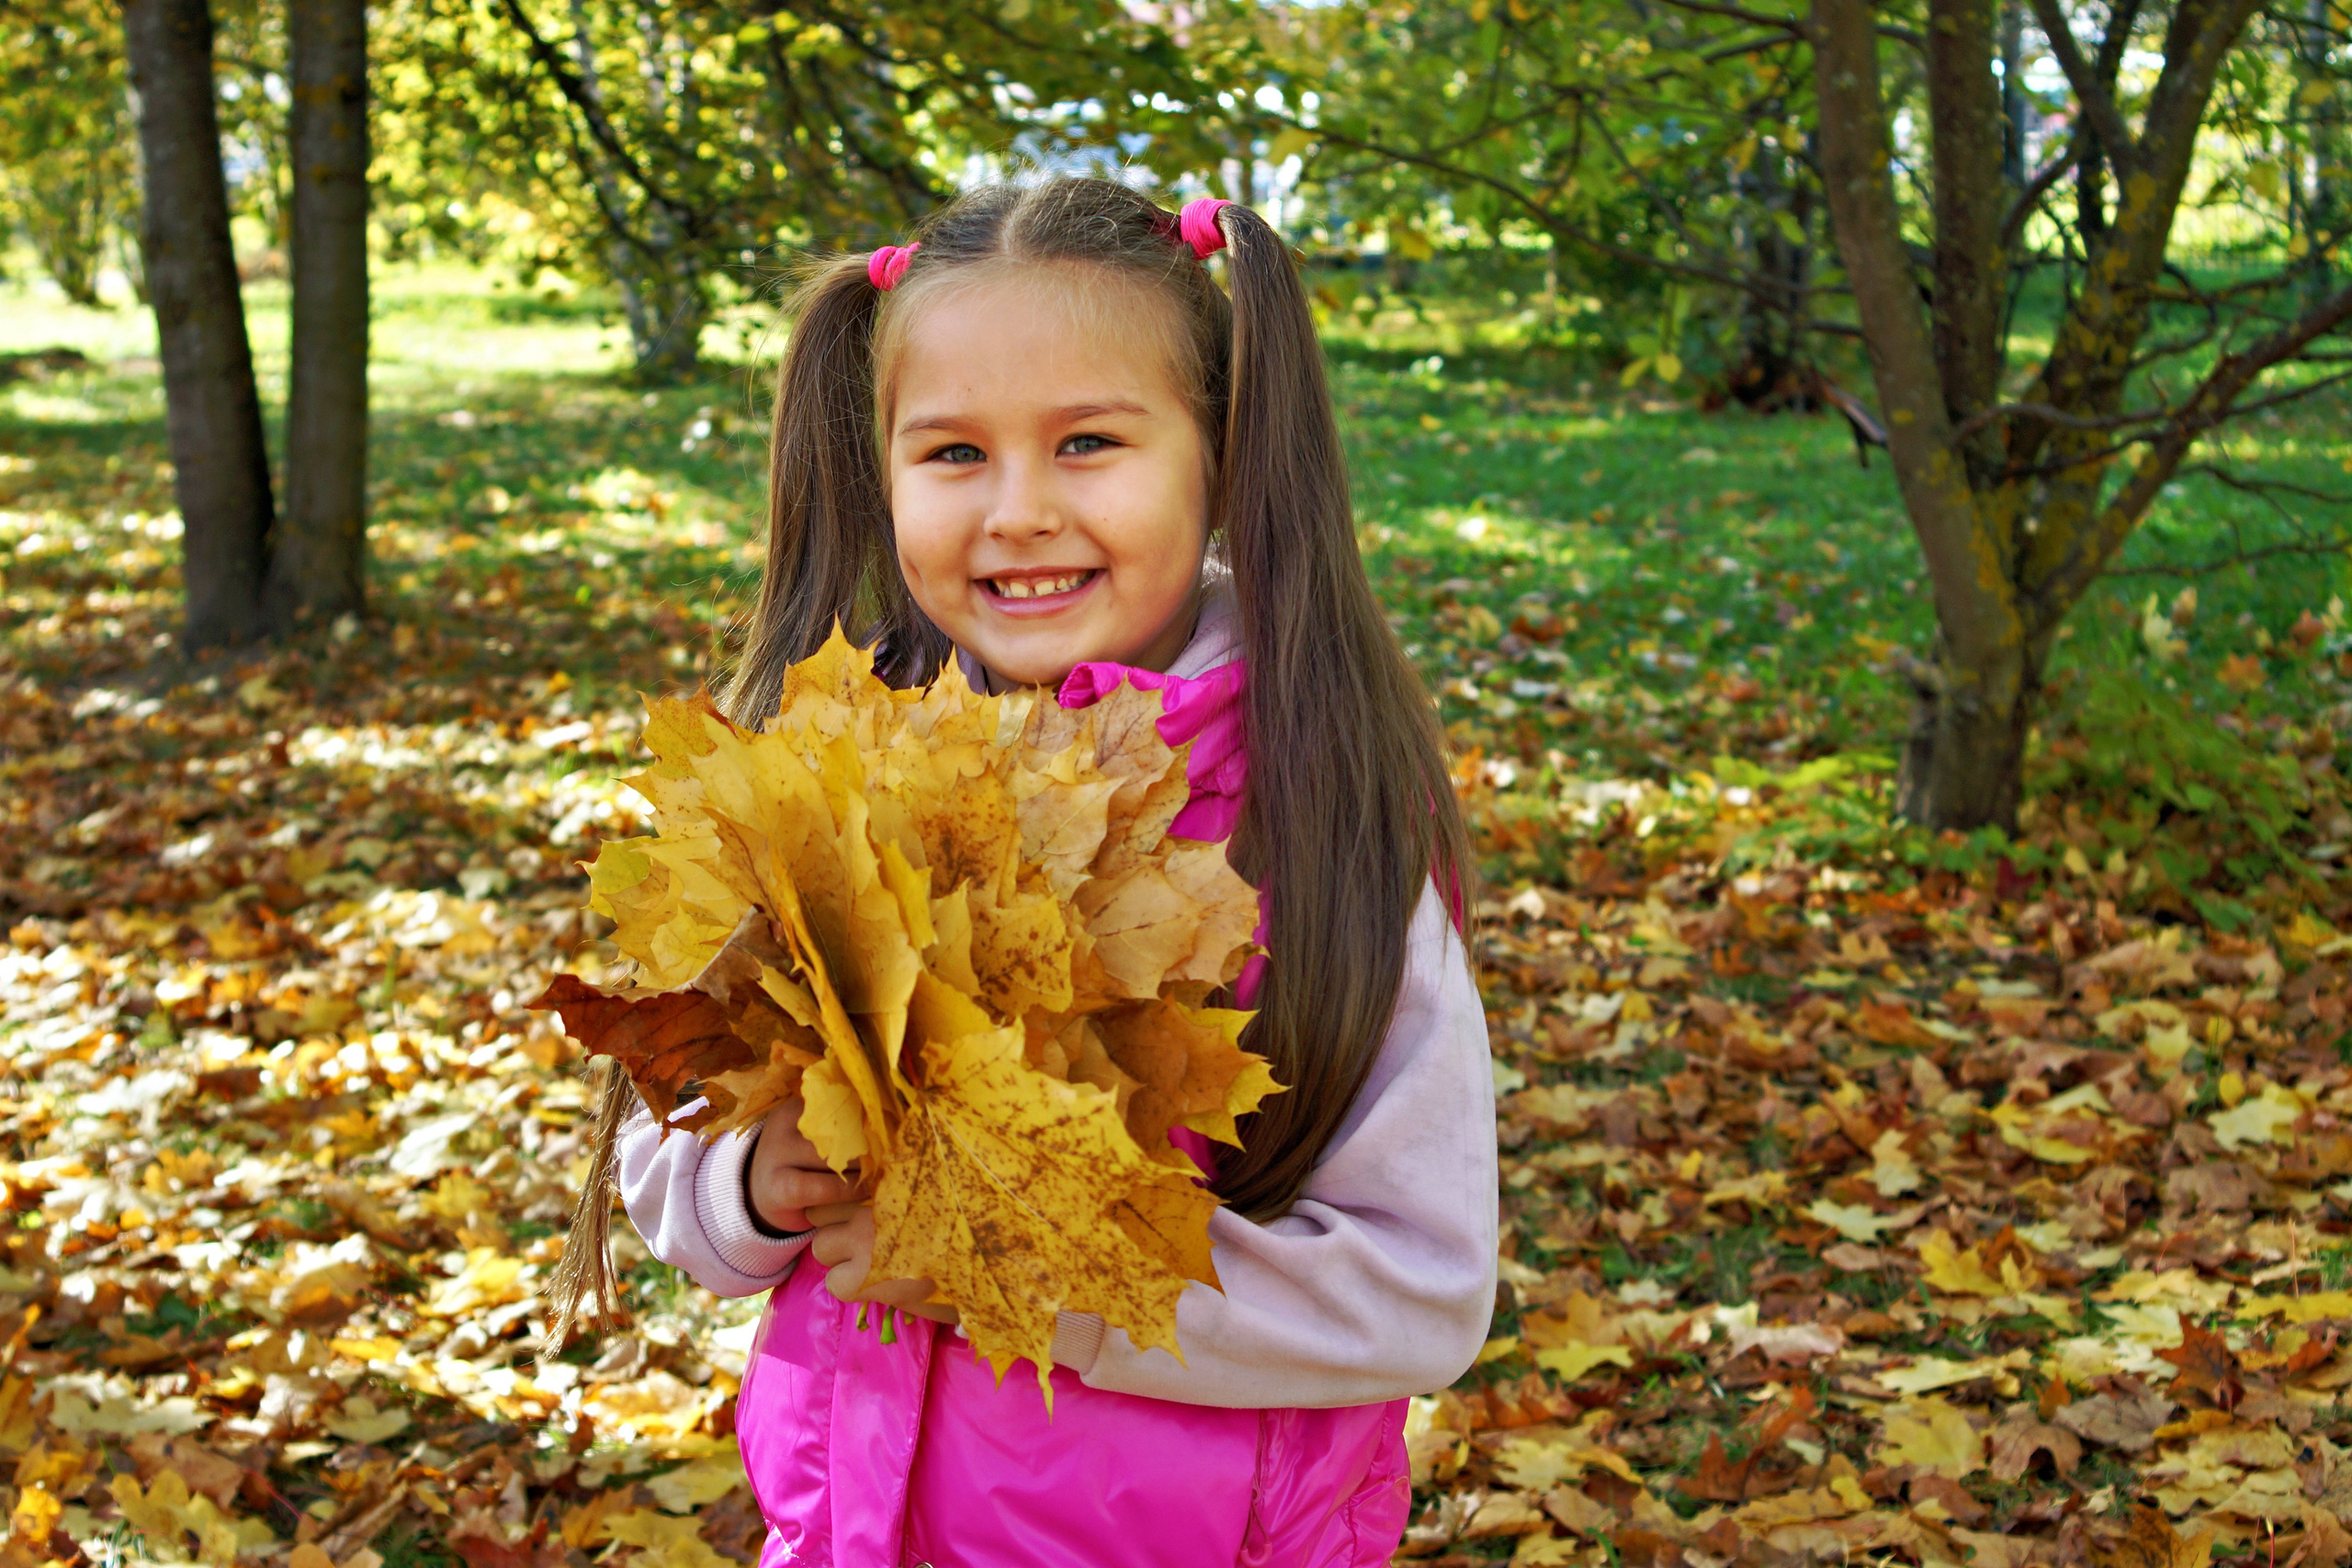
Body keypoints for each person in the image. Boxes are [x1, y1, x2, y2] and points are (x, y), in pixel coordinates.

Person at [550, 176, 1497, 1568]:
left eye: (1089, 443)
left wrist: (1037, 1280)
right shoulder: (830, 777)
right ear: (882, 469)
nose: (1018, 512)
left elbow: (1423, 1294)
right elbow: (669, 1145)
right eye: (952, 453)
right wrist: (752, 1182)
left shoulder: (1314, 820)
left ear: (1221, 457)